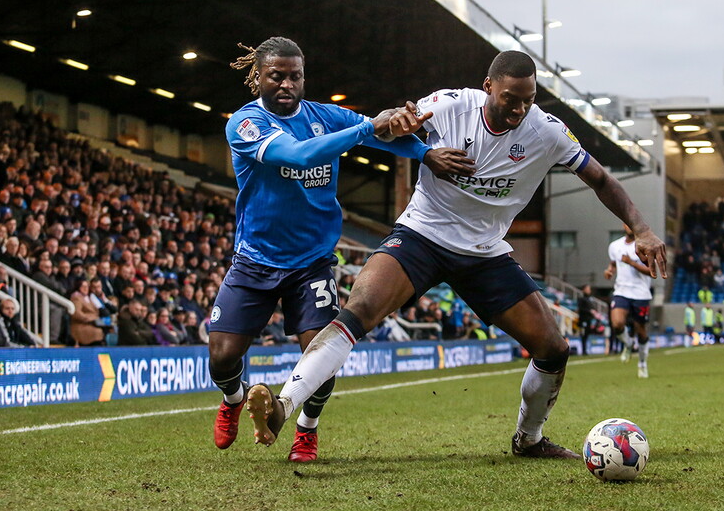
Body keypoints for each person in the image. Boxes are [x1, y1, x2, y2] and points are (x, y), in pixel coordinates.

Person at [244, 50, 666, 460]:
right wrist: (396, 122)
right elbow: (392, 125)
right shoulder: (450, 105)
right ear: (488, 87)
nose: (519, 109)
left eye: (528, 100)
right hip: (422, 235)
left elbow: (601, 179)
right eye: (510, 99)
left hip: (485, 253)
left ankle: (529, 439)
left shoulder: (548, 132)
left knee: (553, 348)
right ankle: (284, 405)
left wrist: (643, 229)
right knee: (359, 310)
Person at [208, 37, 473, 462]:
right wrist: (369, 127)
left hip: (311, 264)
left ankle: (306, 429)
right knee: (221, 357)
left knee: (321, 353)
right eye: (277, 76)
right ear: (258, 76)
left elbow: (385, 136)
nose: (287, 84)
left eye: (295, 76)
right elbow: (297, 155)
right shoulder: (245, 124)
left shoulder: (325, 116)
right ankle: (234, 398)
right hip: (255, 259)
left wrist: (424, 152)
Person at [604, 222, 654, 378]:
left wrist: (631, 262)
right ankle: (628, 343)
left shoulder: (645, 246)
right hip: (621, 291)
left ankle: (642, 363)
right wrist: (610, 271)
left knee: (641, 330)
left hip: (641, 293)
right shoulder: (614, 246)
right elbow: (614, 263)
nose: (630, 227)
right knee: (617, 323)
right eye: (627, 224)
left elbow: (652, 271)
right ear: (623, 226)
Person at [577, 284, 594, 355]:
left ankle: (585, 350)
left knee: (586, 335)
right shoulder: (581, 299)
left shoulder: (590, 299)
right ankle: (583, 350)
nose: (589, 290)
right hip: (583, 320)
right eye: (587, 289)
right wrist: (589, 311)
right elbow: (581, 309)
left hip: (588, 320)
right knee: (583, 335)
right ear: (583, 290)